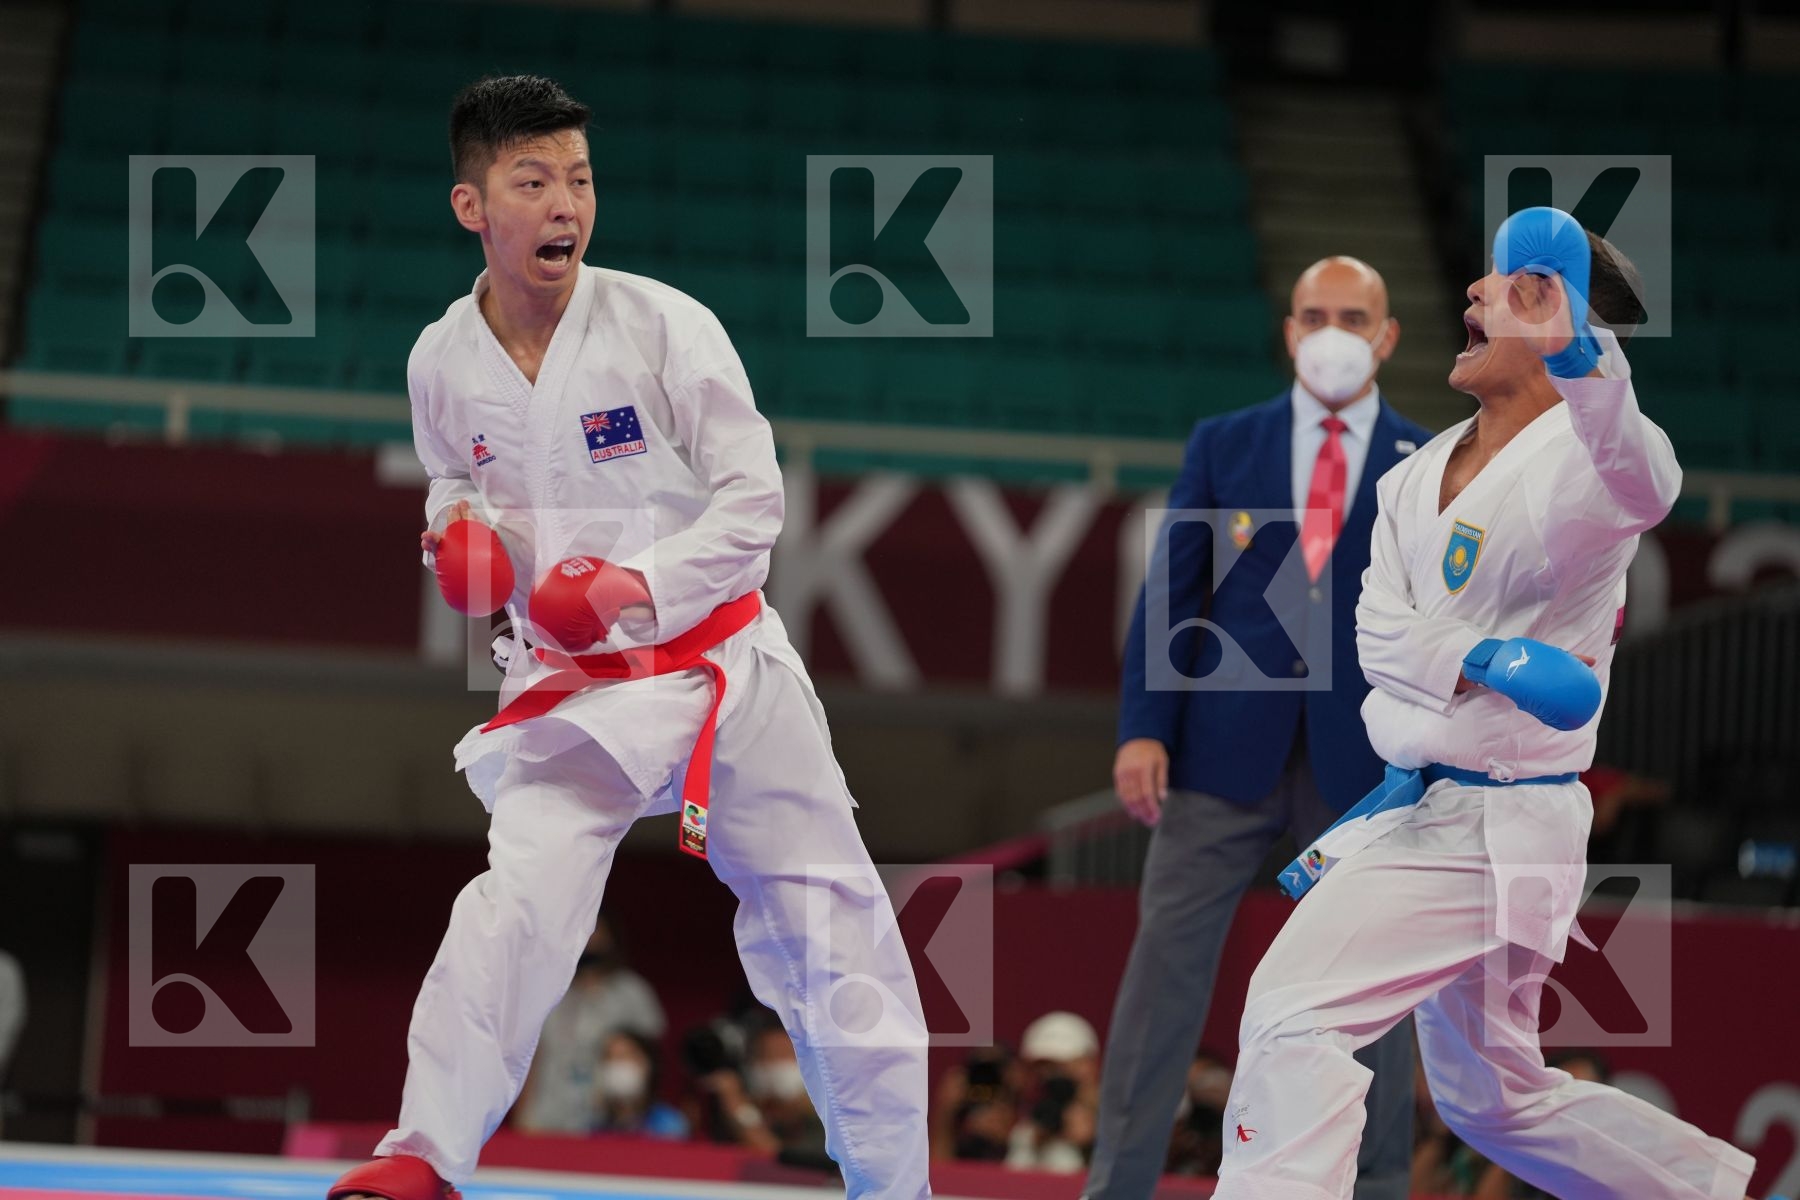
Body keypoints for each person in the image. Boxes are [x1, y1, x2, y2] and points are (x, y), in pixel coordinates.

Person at [329, 75, 928, 1200]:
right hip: (571, 694)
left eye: (580, 180)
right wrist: (455, 538)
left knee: (833, 930)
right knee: (514, 906)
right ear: (474, 207)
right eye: (534, 181)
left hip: (724, 672)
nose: (566, 204)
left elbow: (756, 507)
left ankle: (896, 1188)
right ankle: (419, 1159)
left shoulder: (664, 325)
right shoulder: (440, 359)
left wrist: (626, 587)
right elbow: (455, 481)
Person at [1210, 208, 1766, 1200]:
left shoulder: (1582, 474)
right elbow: (1376, 634)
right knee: (1491, 1100)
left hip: (1497, 820)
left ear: (1561, 324)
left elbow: (1650, 481)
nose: (1473, 294)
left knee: (1294, 1012)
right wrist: (1490, 656)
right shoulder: (1411, 477)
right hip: (1419, 802)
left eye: (1510, 286)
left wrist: (1586, 357)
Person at [1090, 257, 1431, 1200]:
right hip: (1214, 752)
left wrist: (1427, 751)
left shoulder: (1430, 459)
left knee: (1373, 993)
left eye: (1353, 316)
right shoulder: (1225, 442)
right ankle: (1116, 1186)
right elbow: (1173, 593)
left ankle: (1377, 1190)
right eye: (1314, 314)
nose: (1332, 331)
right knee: (1162, 986)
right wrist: (1141, 729)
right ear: (1288, 331)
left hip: (1362, 766)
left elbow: (1442, 617)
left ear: (1387, 334)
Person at [512, 915, 665, 1135]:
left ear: (611, 938)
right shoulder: (548, 992)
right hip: (547, 1118)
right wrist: (523, 1114)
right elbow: (532, 1057)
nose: (590, 940)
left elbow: (651, 1060)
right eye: (582, 932)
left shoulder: (633, 993)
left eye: (596, 931)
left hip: (606, 1124)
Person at [1007, 1012, 1101, 1174]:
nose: (1048, 1076)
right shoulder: (1026, 1130)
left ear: (1088, 1065)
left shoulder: (1121, 1123)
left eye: (1061, 1067)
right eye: (1042, 1068)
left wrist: (1093, 1144)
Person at [592, 1031, 688, 1140]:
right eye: (609, 1057)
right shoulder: (594, 1125)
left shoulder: (670, 1124)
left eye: (625, 1055)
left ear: (648, 1065)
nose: (617, 1063)